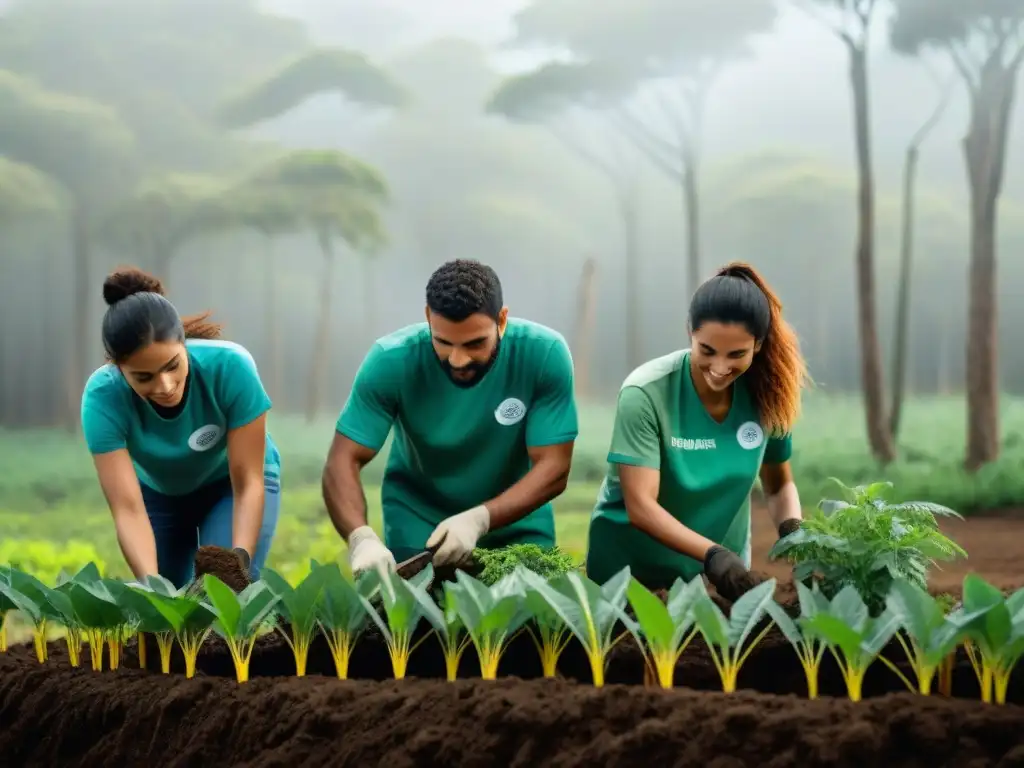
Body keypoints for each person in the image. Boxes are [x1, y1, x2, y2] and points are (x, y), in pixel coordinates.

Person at [322, 259, 579, 575]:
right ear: (429, 317)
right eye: (443, 342)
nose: (458, 360)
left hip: (517, 522)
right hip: (419, 523)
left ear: (502, 320)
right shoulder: (391, 361)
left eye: (475, 344)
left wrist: (479, 518)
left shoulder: (543, 355)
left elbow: (554, 466)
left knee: (533, 620)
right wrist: (361, 539)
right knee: (416, 620)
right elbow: (342, 460)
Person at [585, 261, 808, 600]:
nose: (720, 368)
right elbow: (640, 505)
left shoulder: (767, 395)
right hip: (630, 580)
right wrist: (714, 556)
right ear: (690, 331)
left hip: (718, 583)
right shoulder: (645, 393)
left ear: (759, 345)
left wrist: (793, 530)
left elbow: (778, 486)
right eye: (707, 350)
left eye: (737, 354)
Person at [80, 267, 281, 589]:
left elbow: (248, 482)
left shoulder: (230, 367)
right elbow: (128, 510)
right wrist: (151, 587)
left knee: (222, 594)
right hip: (160, 493)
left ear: (184, 344)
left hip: (230, 484)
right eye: (143, 377)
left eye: (172, 365)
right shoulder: (103, 397)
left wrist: (238, 560)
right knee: (168, 604)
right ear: (119, 369)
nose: (165, 386)